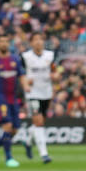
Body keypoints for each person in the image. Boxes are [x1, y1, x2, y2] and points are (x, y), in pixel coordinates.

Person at [21, 32, 55, 163]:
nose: (38, 42)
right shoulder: (25, 57)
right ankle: (44, 154)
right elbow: (21, 74)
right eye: (35, 39)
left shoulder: (50, 55)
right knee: (39, 121)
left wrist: (56, 76)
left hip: (46, 92)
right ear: (31, 43)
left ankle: (28, 141)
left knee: (40, 122)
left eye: (40, 39)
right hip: (32, 93)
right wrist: (25, 83)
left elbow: (55, 70)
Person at [0, 33, 32, 167]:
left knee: (14, 130)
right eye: (1, 41)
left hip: (13, 98)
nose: (4, 44)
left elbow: (21, 75)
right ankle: (9, 158)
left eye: (6, 41)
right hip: (0, 97)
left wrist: (26, 86)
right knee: (7, 125)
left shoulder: (15, 59)